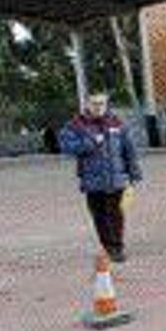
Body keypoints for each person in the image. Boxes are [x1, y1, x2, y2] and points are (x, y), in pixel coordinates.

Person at [59, 92, 142, 263]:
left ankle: (117, 247)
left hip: (116, 178)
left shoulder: (117, 124)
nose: (98, 107)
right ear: (87, 104)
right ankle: (108, 246)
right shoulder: (76, 125)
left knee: (116, 214)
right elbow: (66, 146)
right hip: (92, 181)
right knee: (99, 216)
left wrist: (134, 172)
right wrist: (89, 144)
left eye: (102, 103)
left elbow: (129, 149)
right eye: (94, 103)